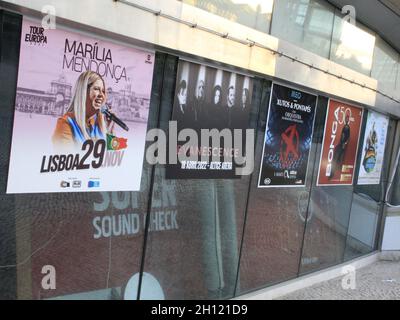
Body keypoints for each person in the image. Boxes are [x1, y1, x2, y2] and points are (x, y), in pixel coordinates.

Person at [52, 71, 114, 149]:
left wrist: (110, 129)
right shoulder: (65, 123)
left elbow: (111, 156)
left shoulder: (98, 125)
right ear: (83, 92)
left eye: (103, 91)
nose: (102, 95)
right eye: (96, 89)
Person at [329, 112, 351, 179]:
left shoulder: (347, 127)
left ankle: (333, 175)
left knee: (337, 161)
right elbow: (345, 136)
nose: (346, 120)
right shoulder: (345, 126)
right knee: (337, 160)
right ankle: (332, 175)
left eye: (347, 119)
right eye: (346, 118)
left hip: (341, 146)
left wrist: (344, 143)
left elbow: (347, 137)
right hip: (340, 145)